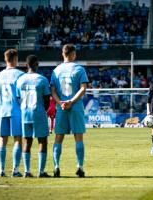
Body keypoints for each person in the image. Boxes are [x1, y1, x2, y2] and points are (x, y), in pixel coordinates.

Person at [50, 44, 89, 178]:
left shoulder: (56, 71)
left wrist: (60, 102)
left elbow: (53, 91)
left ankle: (56, 167)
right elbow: (83, 89)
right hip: (75, 106)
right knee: (78, 137)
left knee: (58, 138)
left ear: (63, 54)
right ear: (73, 54)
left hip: (61, 108)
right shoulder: (79, 69)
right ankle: (80, 166)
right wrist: (71, 101)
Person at [16, 55, 51, 177]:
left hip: (25, 113)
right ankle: (41, 172)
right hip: (38, 112)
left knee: (27, 141)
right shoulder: (42, 79)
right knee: (42, 141)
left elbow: (18, 98)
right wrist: (43, 110)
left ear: (26, 65)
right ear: (37, 65)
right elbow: (47, 99)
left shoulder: (20, 80)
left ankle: (26, 171)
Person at [0, 49, 24, 177]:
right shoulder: (20, 75)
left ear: (5, 59)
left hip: (3, 111)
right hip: (16, 111)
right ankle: (15, 170)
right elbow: (21, 96)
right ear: (15, 59)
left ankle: (1, 170)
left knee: (2, 140)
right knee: (17, 139)